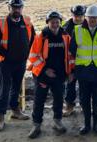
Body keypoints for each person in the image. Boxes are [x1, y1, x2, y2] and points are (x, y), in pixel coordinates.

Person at [0, 0, 35, 132]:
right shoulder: (1, 24)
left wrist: (27, 54)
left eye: (19, 7)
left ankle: (15, 111)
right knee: (4, 89)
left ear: (22, 8)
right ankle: (0, 117)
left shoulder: (27, 22)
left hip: (21, 62)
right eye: (14, 7)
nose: (16, 10)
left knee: (16, 88)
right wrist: (6, 54)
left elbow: (32, 38)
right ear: (9, 8)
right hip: (6, 63)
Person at [27, 11, 74, 139]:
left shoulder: (65, 36)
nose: (55, 24)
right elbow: (33, 56)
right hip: (43, 75)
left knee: (59, 99)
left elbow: (70, 57)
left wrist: (70, 72)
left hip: (59, 75)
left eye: (57, 22)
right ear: (48, 23)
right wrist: (45, 70)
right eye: (52, 22)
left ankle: (57, 121)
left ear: (60, 22)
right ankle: (36, 125)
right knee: (39, 100)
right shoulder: (41, 36)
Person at [70, 5, 97, 135]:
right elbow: (72, 48)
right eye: (90, 17)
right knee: (84, 99)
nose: (92, 20)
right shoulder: (77, 30)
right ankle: (87, 124)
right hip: (83, 71)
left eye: (95, 17)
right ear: (86, 18)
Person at [62, 4, 86, 117]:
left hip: (84, 62)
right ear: (72, 15)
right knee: (70, 85)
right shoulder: (66, 28)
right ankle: (69, 106)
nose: (78, 18)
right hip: (70, 63)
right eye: (76, 16)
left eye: (81, 16)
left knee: (84, 85)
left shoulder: (88, 26)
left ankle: (84, 105)